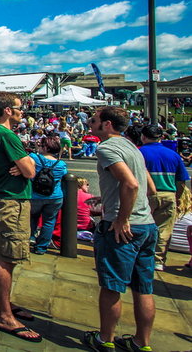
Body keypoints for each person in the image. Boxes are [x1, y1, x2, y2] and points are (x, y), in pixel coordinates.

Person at [83, 106, 158, 352]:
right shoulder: (132, 147)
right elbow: (149, 187)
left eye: (94, 120)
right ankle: (142, 343)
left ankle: (105, 340)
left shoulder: (107, 147)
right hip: (146, 225)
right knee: (143, 288)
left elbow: (131, 184)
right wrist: (109, 200)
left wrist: (121, 217)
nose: (90, 123)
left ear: (107, 125)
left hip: (124, 229)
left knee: (112, 286)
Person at [0, 92, 40, 342]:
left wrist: (26, 164)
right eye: (20, 107)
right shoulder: (5, 134)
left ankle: (1, 302)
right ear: (7, 110)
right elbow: (30, 170)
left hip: (5, 199)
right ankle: (6, 316)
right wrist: (27, 164)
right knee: (8, 256)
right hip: (10, 201)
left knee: (2, 251)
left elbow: (27, 166)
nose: (23, 111)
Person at [138, 124, 189, 271]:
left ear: (143, 137)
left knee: (141, 226)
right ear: (161, 137)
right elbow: (181, 181)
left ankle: (141, 256)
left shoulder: (139, 152)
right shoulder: (173, 155)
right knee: (164, 230)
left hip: (145, 195)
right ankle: (158, 260)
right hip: (168, 194)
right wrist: (177, 198)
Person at [28, 134, 67, 255]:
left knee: (31, 217)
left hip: (35, 195)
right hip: (54, 196)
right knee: (49, 221)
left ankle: (30, 238)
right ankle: (41, 247)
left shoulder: (34, 157)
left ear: (45, 147)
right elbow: (65, 174)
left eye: (41, 145)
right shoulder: (61, 165)